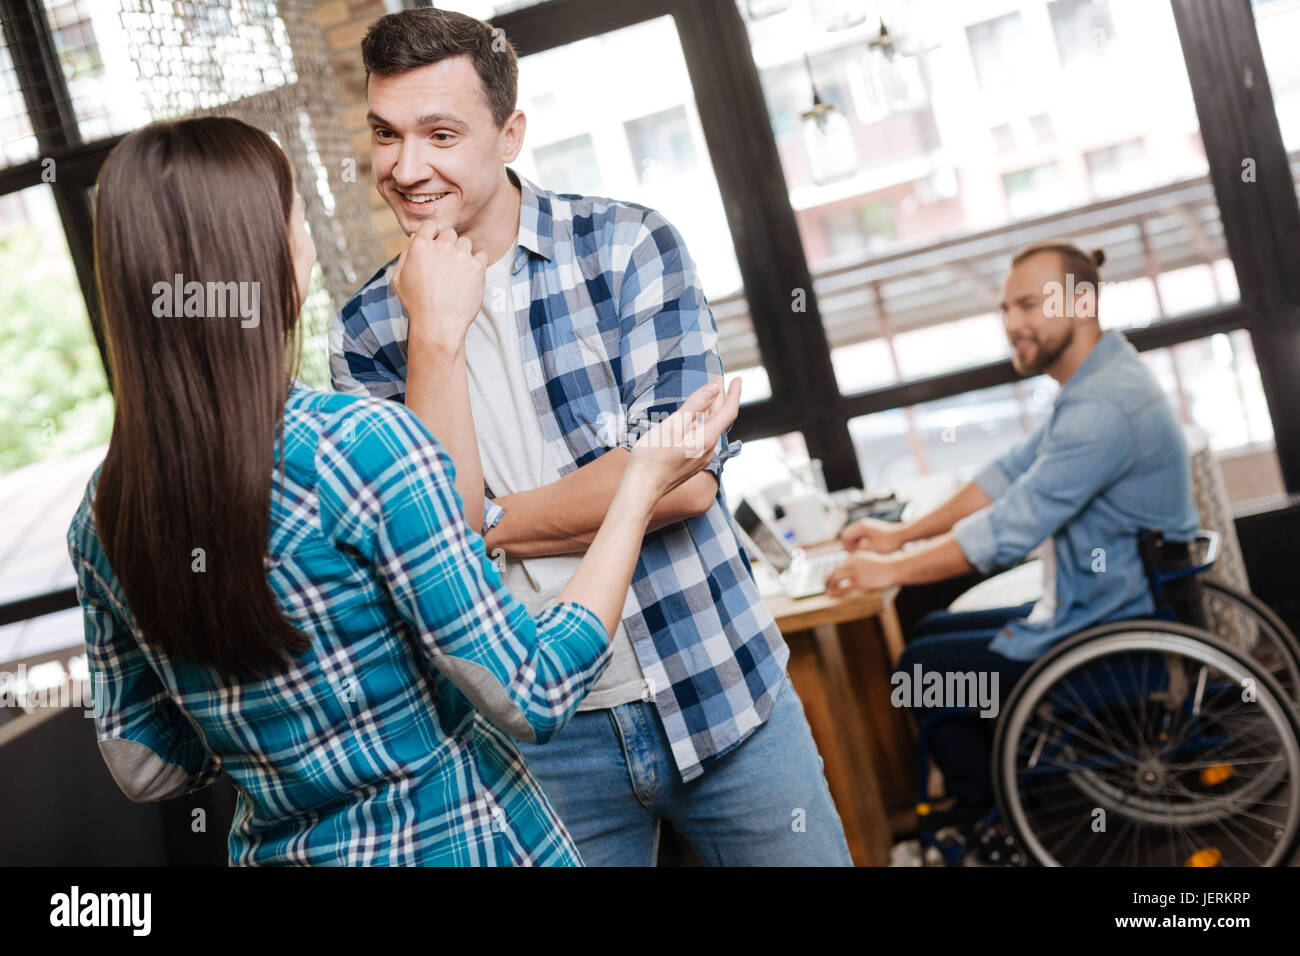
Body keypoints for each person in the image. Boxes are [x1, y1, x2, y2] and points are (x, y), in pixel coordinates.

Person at [66, 115, 741, 866]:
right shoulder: (361, 446)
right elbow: (532, 690)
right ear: (272, 261)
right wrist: (642, 478)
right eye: (296, 218)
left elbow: (143, 763)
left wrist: (266, 726)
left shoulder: (102, 515)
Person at [330, 7, 851, 866]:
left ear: (509, 134)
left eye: (441, 133)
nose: (406, 166)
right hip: (535, 744)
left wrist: (485, 522)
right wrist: (434, 337)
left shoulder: (626, 247)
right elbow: (424, 562)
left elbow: (683, 481)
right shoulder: (366, 330)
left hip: (713, 684)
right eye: (387, 135)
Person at [825, 240, 1199, 820]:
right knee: (932, 632)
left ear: (1080, 303)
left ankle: (994, 821)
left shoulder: (1102, 407)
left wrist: (890, 570)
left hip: (1111, 635)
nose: (1011, 324)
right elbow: (1005, 477)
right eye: (1005, 309)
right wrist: (899, 537)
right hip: (1101, 603)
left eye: (1027, 305)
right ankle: (1007, 791)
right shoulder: (1100, 380)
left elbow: (1006, 531)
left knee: (920, 675)